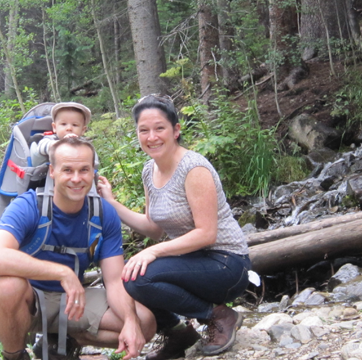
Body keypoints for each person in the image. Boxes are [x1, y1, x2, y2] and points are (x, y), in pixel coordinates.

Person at [97, 94, 251, 360]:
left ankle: (219, 316)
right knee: (132, 274)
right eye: (143, 130)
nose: (152, 137)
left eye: (159, 128)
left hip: (227, 264)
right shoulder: (149, 170)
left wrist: (153, 252)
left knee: (139, 275)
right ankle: (179, 333)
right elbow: (153, 228)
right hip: (194, 262)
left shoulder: (193, 168)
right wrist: (111, 203)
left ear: (176, 130)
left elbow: (207, 233)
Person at [0, 137, 156, 360]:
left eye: (84, 170)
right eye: (68, 170)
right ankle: (15, 356)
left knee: (145, 323)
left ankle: (63, 343)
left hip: (74, 303)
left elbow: (114, 280)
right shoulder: (29, 206)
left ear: (93, 172)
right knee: (4, 286)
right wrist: (61, 272)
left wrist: (131, 322)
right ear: (52, 171)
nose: (76, 178)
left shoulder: (103, 213)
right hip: (29, 300)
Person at [30, 102, 91, 167]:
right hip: (49, 174)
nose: (69, 128)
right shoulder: (51, 138)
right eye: (63, 124)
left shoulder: (84, 144)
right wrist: (61, 144)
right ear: (55, 127)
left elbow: (93, 163)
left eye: (75, 125)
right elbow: (41, 148)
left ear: (82, 130)